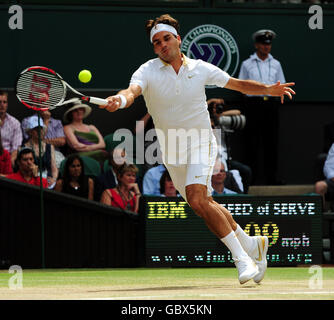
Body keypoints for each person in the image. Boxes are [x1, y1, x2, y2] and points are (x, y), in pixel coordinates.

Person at [100, 14, 295, 284]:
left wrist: (267, 90)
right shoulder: (147, 70)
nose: (162, 45)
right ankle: (252, 244)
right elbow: (132, 91)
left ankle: (242, 261)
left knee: (197, 198)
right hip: (172, 151)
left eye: (166, 38)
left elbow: (236, 84)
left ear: (178, 40)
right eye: (156, 42)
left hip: (201, 142)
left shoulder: (201, 68)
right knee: (204, 204)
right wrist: (119, 100)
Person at [238, 30, 286, 185]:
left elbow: (282, 84)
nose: (266, 47)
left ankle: (272, 178)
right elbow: (241, 86)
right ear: (257, 45)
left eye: (269, 44)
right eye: (263, 44)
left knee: (271, 142)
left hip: (271, 105)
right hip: (253, 105)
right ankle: (251, 180)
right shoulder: (247, 64)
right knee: (251, 142)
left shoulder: (276, 64)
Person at [208, 98, 252, 193]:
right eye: (214, 107)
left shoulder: (222, 120)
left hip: (224, 158)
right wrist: (210, 102)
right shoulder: (205, 120)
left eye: (217, 107)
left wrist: (219, 116)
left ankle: (244, 196)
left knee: (246, 171)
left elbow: (238, 112)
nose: (216, 109)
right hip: (209, 158)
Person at [63, 98, 108, 164]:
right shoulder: (68, 128)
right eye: (75, 110)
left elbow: (102, 144)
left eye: (80, 109)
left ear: (83, 111)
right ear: (70, 113)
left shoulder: (92, 127)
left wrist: (89, 147)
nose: (79, 112)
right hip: (80, 157)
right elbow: (76, 146)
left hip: (100, 153)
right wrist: (95, 147)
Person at [23, 115, 58, 189]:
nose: (39, 131)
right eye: (36, 129)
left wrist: (54, 179)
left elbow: (54, 168)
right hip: (31, 181)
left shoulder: (49, 147)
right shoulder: (24, 148)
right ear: (30, 132)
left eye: (41, 129)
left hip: (48, 181)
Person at [0, 90, 23, 167]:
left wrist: (10, 162)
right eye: (0, 102)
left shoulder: (15, 123)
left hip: (7, 159)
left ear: (7, 104)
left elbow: (16, 148)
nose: (2, 105)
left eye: (4, 102)